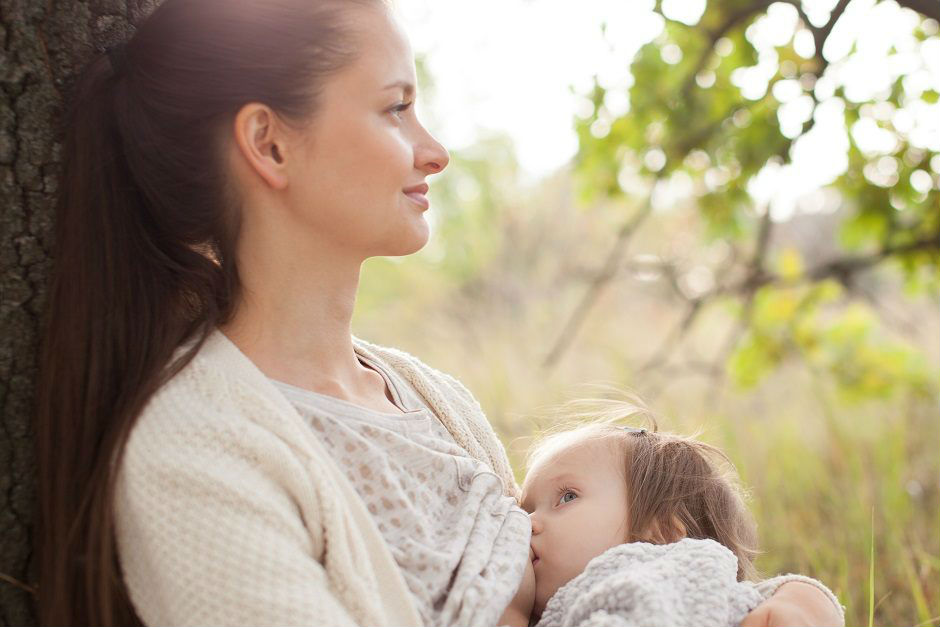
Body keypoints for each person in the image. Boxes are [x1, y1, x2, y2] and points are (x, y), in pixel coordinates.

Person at [33, 0, 846, 625]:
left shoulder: (429, 398)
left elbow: (611, 581)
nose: (435, 149)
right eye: (394, 108)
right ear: (270, 145)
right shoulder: (195, 453)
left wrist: (793, 600)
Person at [499, 407, 845, 627]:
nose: (527, 523)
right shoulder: (541, 611)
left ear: (662, 530)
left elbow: (787, 595)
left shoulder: (681, 568)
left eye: (567, 497)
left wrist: (803, 603)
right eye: (525, 510)